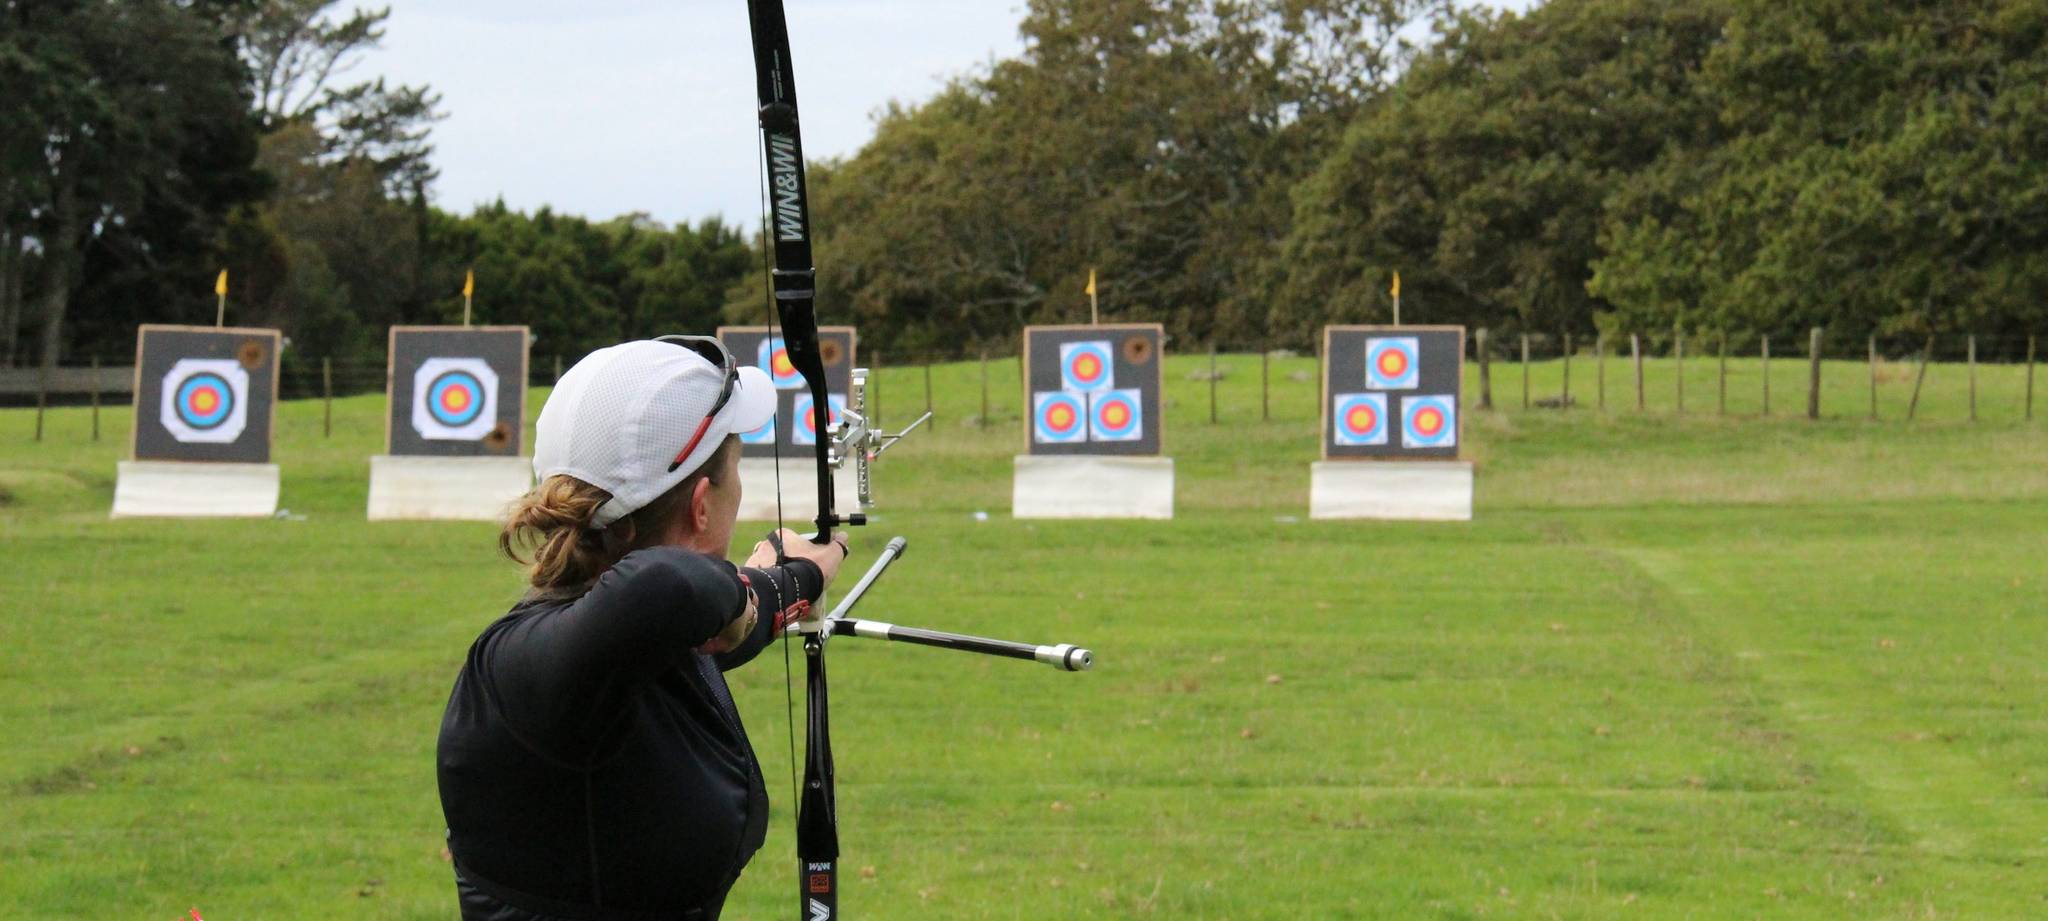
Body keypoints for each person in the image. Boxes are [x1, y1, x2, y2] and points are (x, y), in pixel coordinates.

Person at [436, 337, 849, 920]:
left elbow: (701, 623)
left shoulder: (623, 644)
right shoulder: (529, 664)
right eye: (734, 472)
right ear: (701, 504)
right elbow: (670, 589)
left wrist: (793, 580)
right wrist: (761, 590)